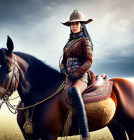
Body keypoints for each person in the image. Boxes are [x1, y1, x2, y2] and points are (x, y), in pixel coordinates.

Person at [59, 10, 96, 140]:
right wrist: (63, 70)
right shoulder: (68, 44)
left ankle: (85, 135)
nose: (74, 26)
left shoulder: (85, 41)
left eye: (76, 24)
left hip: (81, 76)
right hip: (67, 75)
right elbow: (63, 62)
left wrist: (76, 74)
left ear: (81, 25)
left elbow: (89, 61)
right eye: (72, 24)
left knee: (74, 90)